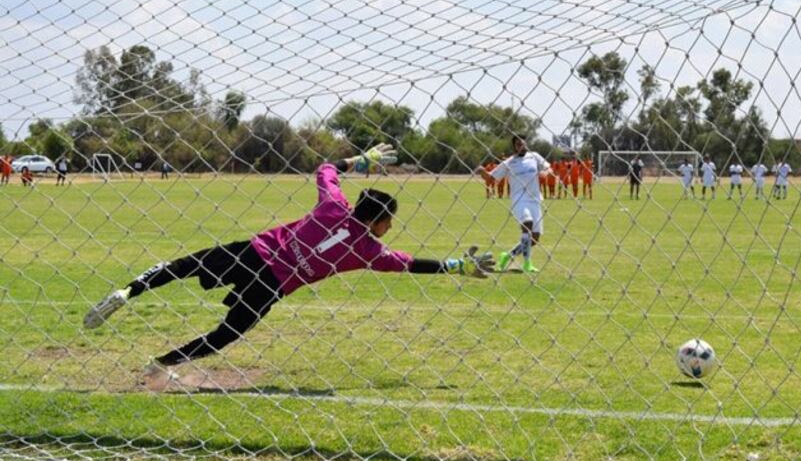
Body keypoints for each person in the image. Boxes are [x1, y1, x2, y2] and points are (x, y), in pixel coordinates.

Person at [83, 144, 494, 390]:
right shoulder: (368, 249)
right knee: (226, 334)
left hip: (254, 251)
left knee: (183, 266)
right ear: (376, 220)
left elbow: (325, 169)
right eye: (390, 221)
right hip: (272, 284)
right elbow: (409, 264)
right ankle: (162, 364)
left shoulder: (334, 205)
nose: (390, 228)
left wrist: (360, 160)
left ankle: (128, 291)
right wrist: (457, 265)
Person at [476, 135, 552, 274]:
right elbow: (491, 178)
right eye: (518, 144)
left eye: (523, 144)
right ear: (514, 147)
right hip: (519, 200)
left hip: (535, 200)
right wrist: (482, 172)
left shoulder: (534, 156)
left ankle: (508, 256)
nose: (522, 146)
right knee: (527, 224)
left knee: (534, 239)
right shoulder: (509, 163)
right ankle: (527, 263)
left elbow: (548, 168)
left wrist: (545, 172)